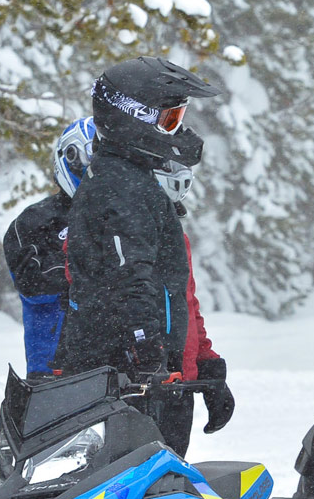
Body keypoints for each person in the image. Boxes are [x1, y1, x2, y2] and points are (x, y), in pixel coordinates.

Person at [53, 58, 235, 454]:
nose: (179, 131)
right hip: (124, 386)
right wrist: (147, 358)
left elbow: (174, 293)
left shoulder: (138, 186)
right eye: (170, 120)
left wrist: (203, 365)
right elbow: (129, 282)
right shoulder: (116, 190)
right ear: (133, 117)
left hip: (157, 381)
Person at [4, 117, 95, 375]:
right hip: (53, 366)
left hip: (111, 361)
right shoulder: (34, 221)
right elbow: (34, 287)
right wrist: (86, 267)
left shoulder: (116, 216)